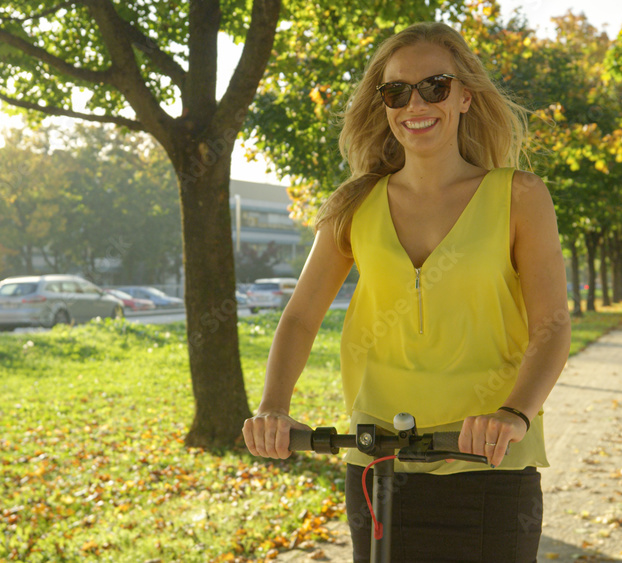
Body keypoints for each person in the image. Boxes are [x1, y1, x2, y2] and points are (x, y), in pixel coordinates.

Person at [243, 21, 571, 562]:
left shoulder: (518, 196)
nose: (415, 103)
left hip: (491, 466)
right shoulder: (354, 204)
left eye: (434, 86)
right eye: (397, 91)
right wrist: (273, 407)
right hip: (378, 467)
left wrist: (515, 413)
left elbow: (551, 327)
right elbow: (300, 317)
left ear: (465, 96)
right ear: (385, 106)